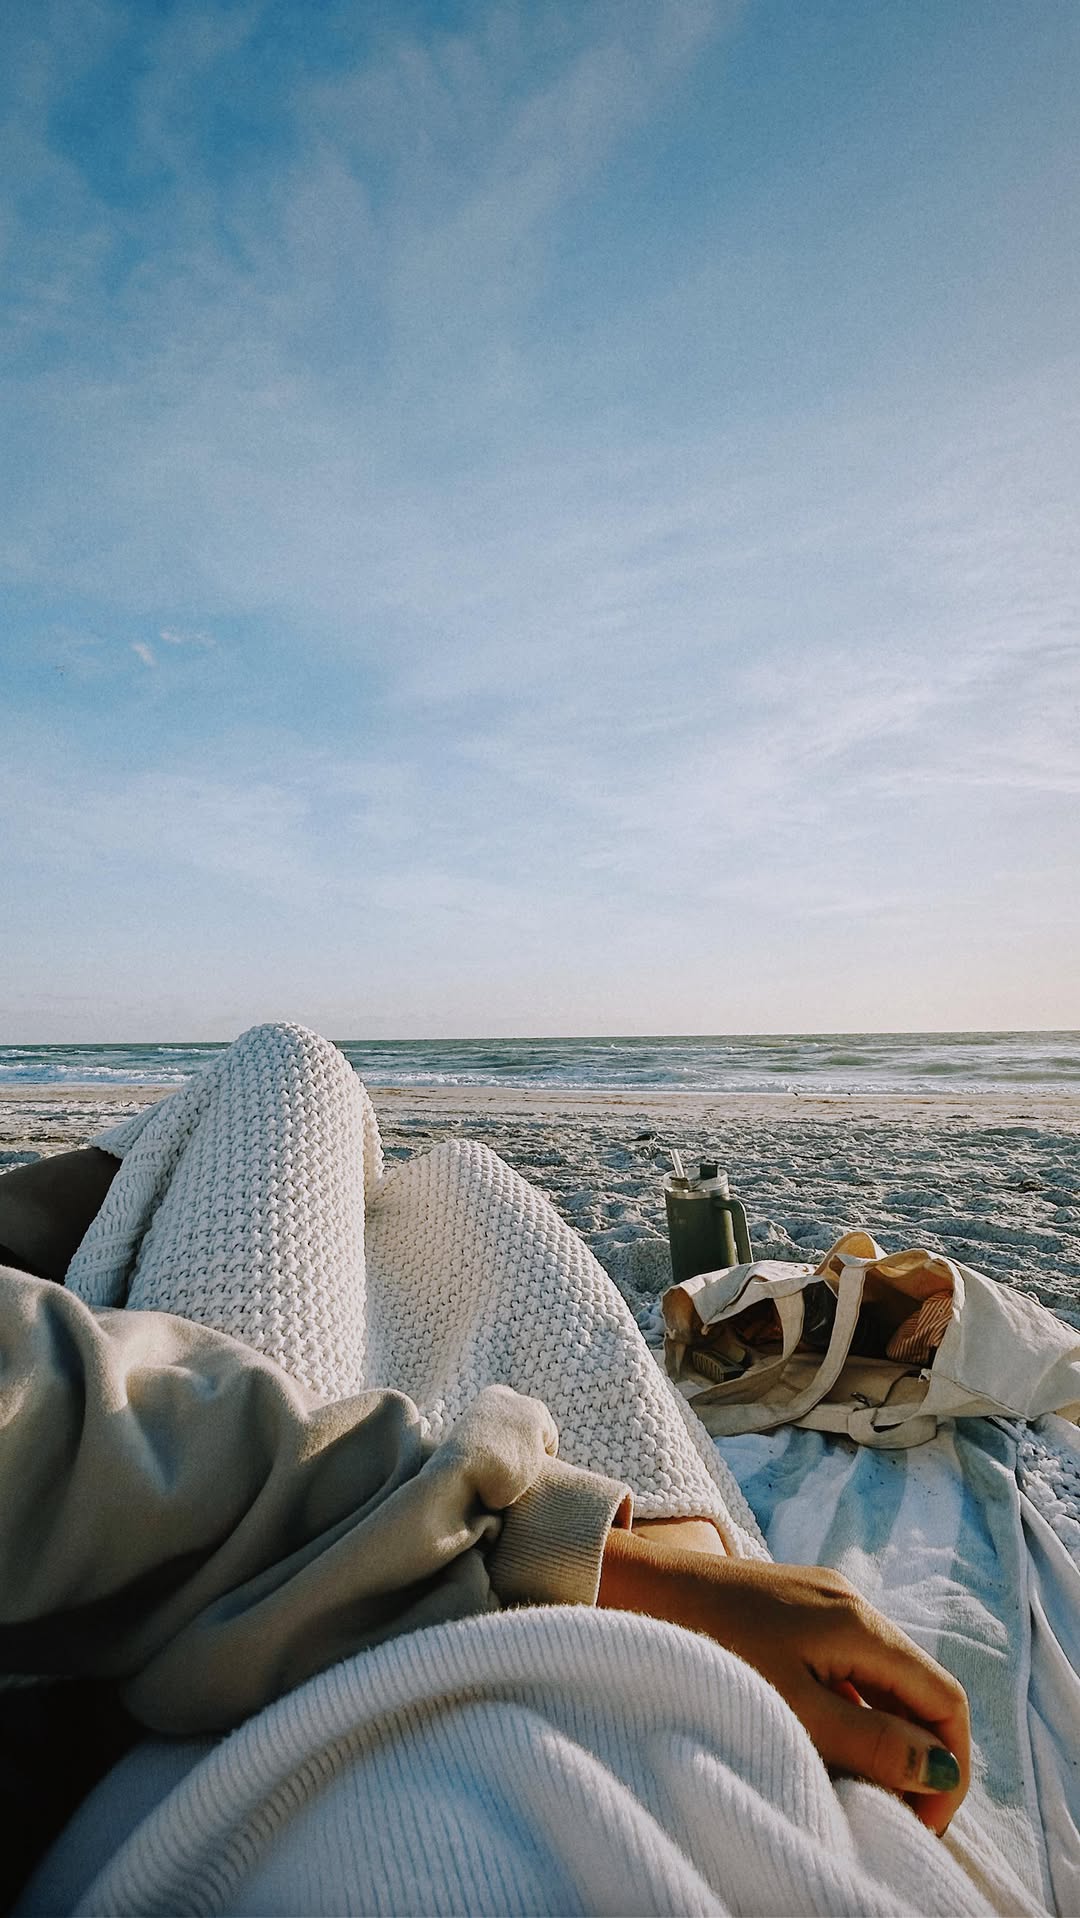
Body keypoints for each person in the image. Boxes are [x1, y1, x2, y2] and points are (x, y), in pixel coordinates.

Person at [0, 1025, 979, 1915]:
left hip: (252, 1723)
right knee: (414, 1148)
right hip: (323, 1714)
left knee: (341, 1111)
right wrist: (618, 1561)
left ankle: (91, 1202)